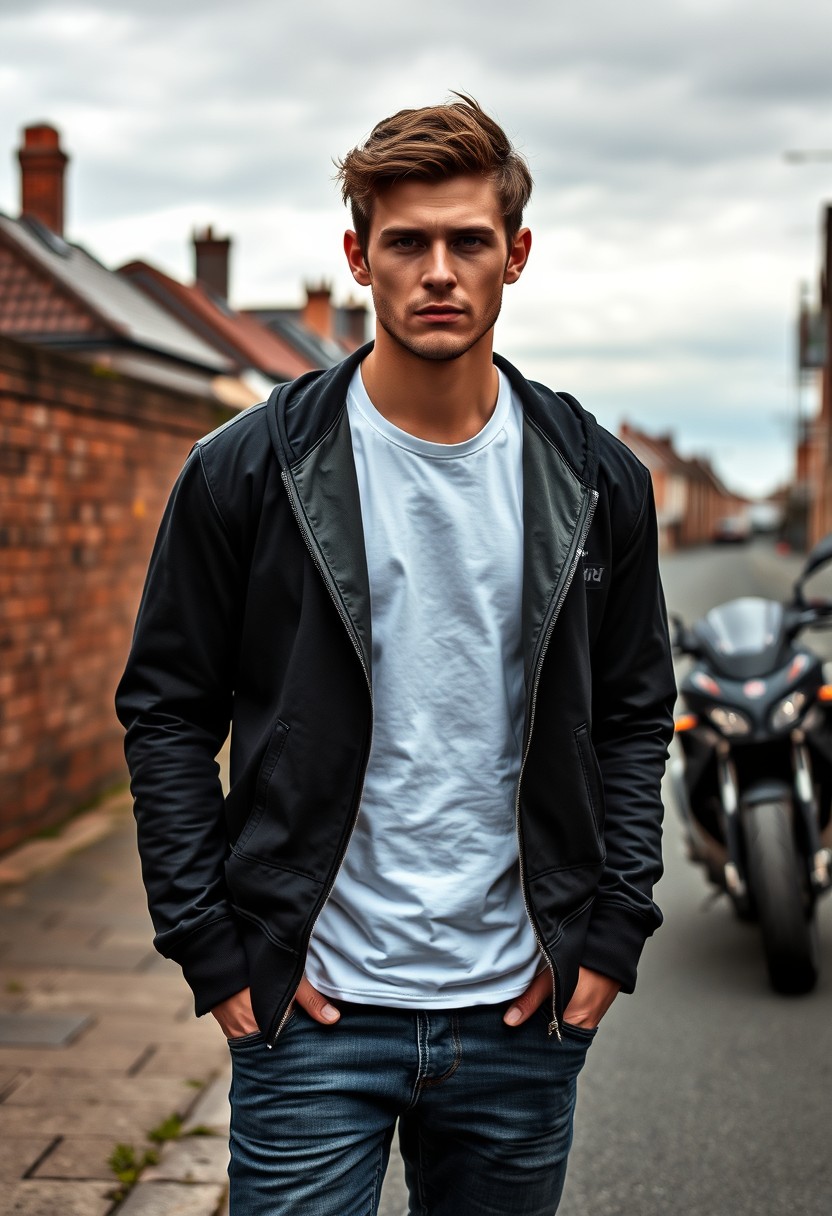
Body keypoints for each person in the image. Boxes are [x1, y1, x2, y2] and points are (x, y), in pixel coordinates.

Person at [116, 94, 676, 1216]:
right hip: (312, 1010)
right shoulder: (248, 468)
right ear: (356, 256)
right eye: (405, 241)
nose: (437, 270)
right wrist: (213, 951)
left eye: (468, 240)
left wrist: (609, 936)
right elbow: (169, 707)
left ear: (514, 256)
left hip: (522, 1011)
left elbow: (629, 716)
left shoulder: (597, 478)